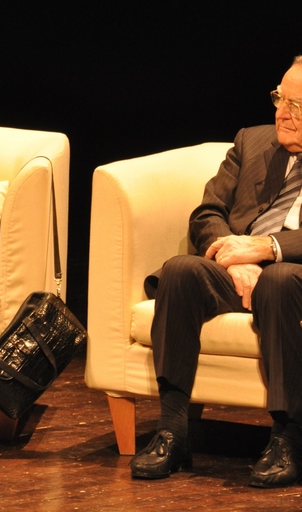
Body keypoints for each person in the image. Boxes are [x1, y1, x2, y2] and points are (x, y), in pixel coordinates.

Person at [130, 56, 302, 487]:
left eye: (298, 106)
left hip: (291, 275)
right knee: (180, 270)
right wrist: (232, 254)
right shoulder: (251, 141)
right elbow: (207, 212)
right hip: (236, 269)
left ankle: (287, 439)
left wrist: (268, 249)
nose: (283, 112)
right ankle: (173, 430)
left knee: (279, 281)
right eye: (281, 98)